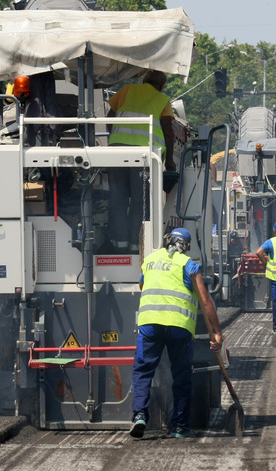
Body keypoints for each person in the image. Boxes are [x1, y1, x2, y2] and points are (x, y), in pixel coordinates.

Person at [130, 227, 222, 439]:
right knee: (181, 375)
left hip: (149, 324)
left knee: (143, 370)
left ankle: (140, 416)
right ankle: (180, 426)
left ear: (167, 241)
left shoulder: (151, 260)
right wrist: (217, 332)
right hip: (179, 326)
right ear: (187, 247)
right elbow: (205, 301)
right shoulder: (189, 265)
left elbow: (142, 283)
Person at [106, 70, 177, 253]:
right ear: (161, 86)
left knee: (117, 197)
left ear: (144, 79)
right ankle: (135, 246)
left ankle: (118, 243)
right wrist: (169, 161)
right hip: (143, 155)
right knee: (140, 200)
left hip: (117, 151)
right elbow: (169, 132)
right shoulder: (162, 100)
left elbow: (109, 118)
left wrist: (112, 140)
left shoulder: (126, 90)